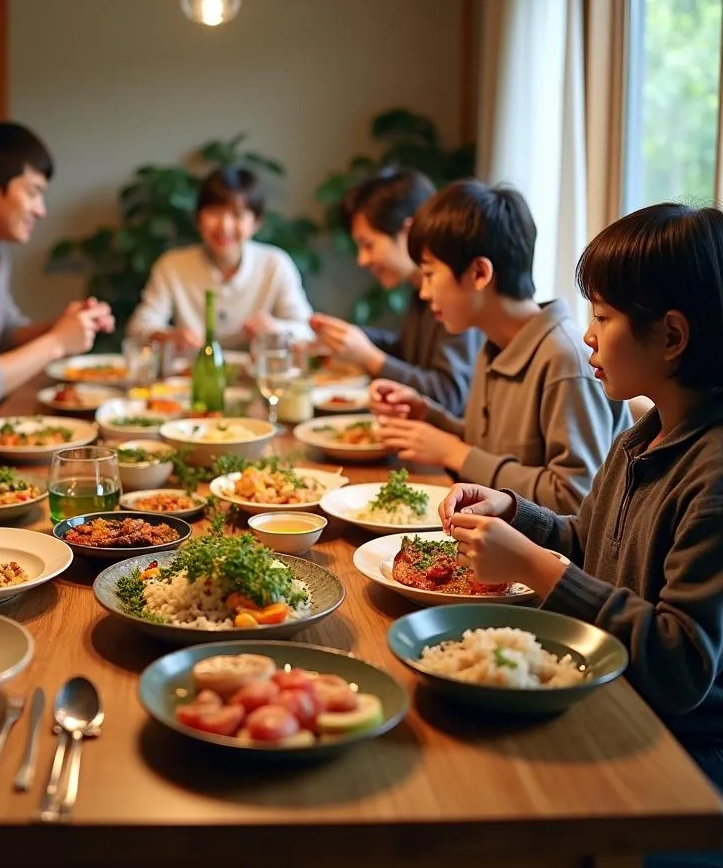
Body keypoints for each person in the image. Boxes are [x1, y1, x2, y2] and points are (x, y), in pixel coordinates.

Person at [438, 203, 723, 837]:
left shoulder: (712, 475)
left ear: (672, 337)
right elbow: (587, 545)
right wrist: (514, 512)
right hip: (609, 696)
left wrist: (538, 568)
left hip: (679, 752)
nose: (587, 335)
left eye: (603, 315)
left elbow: (681, 666)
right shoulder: (640, 438)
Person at [370, 180, 629, 515]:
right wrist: (429, 414)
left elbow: (575, 499)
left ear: (479, 273)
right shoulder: (494, 345)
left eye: (431, 274)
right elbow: (494, 447)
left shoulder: (565, 360)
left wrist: (455, 453)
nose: (424, 292)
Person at [0, 122, 115, 404]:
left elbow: (4, 334)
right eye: (33, 192)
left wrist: (64, 325)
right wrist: (57, 342)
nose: (41, 210)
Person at [310, 167, 481, 415]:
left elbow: (449, 395)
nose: (362, 260)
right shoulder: (418, 290)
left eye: (368, 245)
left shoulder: (454, 294)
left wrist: (370, 357)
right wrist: (349, 339)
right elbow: (408, 352)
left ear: (408, 232)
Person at [126, 167, 314, 351]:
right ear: (198, 218)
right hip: (192, 374)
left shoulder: (275, 264)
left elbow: (306, 330)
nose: (225, 226)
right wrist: (169, 337)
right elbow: (138, 328)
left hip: (258, 374)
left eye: (237, 215)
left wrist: (276, 329)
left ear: (256, 222)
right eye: (214, 213)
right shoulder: (172, 266)